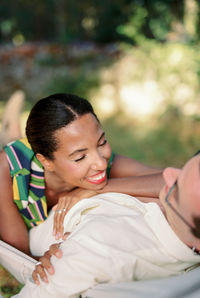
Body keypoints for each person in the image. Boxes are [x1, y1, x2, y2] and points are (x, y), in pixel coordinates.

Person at [0, 93, 163, 277]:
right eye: (80, 157)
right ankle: (10, 133)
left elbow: (173, 180)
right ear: (46, 162)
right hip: (19, 164)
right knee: (12, 148)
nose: (100, 163)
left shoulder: (99, 163)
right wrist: (48, 260)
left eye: (102, 142)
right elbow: (19, 257)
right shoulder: (7, 172)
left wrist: (92, 190)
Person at [12, 150, 200, 297]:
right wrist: (93, 190)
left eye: (174, 190)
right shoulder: (180, 224)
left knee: (11, 167)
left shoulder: (95, 247)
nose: (168, 172)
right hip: (79, 200)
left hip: (32, 222)